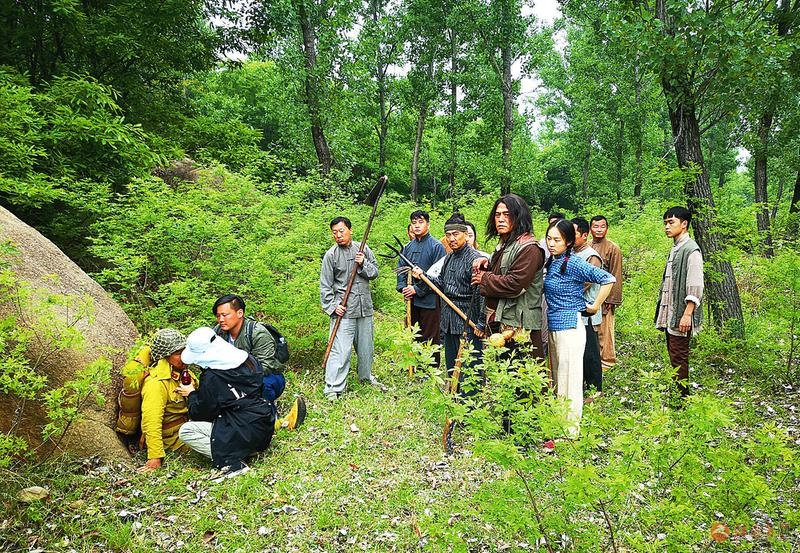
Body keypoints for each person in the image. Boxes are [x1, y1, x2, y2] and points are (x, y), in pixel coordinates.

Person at [544, 219, 615, 436]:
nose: (551, 244)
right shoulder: (552, 261)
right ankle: (559, 426)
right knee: (558, 379)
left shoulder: (574, 263)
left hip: (570, 328)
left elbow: (608, 278)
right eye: (549, 239)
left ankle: (570, 431)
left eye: (557, 240)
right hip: (554, 325)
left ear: (568, 241)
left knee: (570, 381)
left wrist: (594, 306)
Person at [177, 326, 275, 475]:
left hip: (241, 430)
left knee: (186, 431)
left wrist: (191, 394)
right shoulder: (247, 359)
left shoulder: (212, 377)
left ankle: (231, 461)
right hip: (264, 426)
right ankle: (248, 450)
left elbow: (200, 413)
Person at [212, 294, 305, 430]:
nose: (221, 319)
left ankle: (270, 419)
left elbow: (264, 367)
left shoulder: (257, 333)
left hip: (267, 377)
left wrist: (235, 378)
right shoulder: (218, 333)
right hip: (233, 377)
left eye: (225, 315)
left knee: (260, 386)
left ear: (240, 313)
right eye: (218, 315)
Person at [412, 213, 486, 385]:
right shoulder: (449, 258)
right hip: (449, 320)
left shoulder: (475, 260)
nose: (451, 239)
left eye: (455, 234)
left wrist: (481, 322)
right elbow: (441, 284)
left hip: (468, 320)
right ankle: (454, 395)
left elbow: (482, 292)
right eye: (448, 235)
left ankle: (470, 398)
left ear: (465, 235)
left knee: (470, 366)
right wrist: (423, 277)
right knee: (452, 366)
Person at [472, 194, 546, 361]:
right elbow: (503, 270)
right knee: (501, 370)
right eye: (497, 215)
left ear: (519, 217)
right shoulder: (506, 245)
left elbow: (515, 284)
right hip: (502, 321)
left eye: (507, 214)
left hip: (520, 325)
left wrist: (484, 278)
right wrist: (488, 264)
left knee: (524, 370)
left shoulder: (529, 249)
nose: (501, 219)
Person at [321, 216, 382, 401]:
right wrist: (333, 307)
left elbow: (374, 272)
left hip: (364, 307)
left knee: (366, 348)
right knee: (340, 350)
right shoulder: (331, 255)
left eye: (341, 231)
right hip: (344, 311)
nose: (338, 235)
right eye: (334, 233)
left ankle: (366, 377)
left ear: (350, 230)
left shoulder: (362, 249)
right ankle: (333, 387)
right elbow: (325, 286)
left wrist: (363, 263)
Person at [655, 206, 704, 397]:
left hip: (682, 314)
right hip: (672, 313)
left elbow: (695, 285)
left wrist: (687, 314)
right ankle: (678, 395)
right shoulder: (676, 248)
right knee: (674, 355)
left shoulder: (691, 250)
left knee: (679, 357)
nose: (667, 227)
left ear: (684, 224)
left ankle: (681, 399)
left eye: (671, 222)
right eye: (665, 223)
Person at [137, 329, 198, 473]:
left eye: (184, 350)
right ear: (164, 356)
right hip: (173, 438)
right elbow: (151, 422)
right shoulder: (156, 383)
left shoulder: (184, 372)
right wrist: (154, 457)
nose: (184, 355)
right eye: (178, 353)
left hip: (190, 427)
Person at [397, 210, 446, 364]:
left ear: (428, 225)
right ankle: (415, 367)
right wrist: (403, 288)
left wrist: (417, 289)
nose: (417, 226)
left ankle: (431, 369)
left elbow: (438, 276)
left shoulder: (436, 247)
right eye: (414, 223)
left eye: (421, 222)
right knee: (413, 333)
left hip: (430, 300)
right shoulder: (408, 247)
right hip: (411, 300)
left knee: (430, 337)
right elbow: (401, 269)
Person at [571, 218, 603, 401]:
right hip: (574, 312)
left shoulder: (592, 256)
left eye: (573, 233)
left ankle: (595, 390)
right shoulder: (571, 253)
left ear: (584, 235)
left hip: (588, 313)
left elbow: (585, 283)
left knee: (590, 353)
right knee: (578, 353)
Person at [590, 215, 623, 369]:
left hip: (605, 295)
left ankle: (608, 362)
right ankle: (594, 361)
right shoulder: (587, 245)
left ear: (607, 229)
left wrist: (611, 299)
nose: (599, 230)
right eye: (595, 226)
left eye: (602, 226)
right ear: (590, 229)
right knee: (593, 329)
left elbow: (616, 274)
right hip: (591, 294)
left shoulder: (612, 248)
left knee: (605, 330)